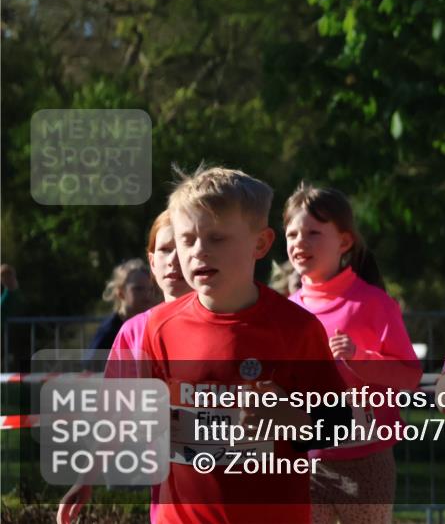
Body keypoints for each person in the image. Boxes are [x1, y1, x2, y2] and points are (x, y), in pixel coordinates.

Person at [140, 164, 350, 524]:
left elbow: (339, 423)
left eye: (217, 238)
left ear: (261, 243)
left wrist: (288, 417)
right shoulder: (160, 326)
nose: (198, 252)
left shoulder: (295, 328)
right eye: (186, 239)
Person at [283, 182, 421, 524]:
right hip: (305, 461)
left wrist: (360, 359)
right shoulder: (284, 312)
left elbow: (409, 377)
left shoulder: (373, 304)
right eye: (292, 234)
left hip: (366, 460)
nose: (300, 242)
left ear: (344, 241)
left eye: (313, 232)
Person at [57, 210, 193, 524]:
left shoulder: (233, 320)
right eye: (164, 249)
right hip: (169, 502)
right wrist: (86, 478)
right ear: (152, 262)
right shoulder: (133, 332)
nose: (172, 259)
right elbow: (115, 415)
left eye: (183, 246)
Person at [86, 258, 158, 359]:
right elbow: (90, 366)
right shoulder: (109, 331)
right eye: (138, 289)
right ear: (120, 292)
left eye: (150, 289)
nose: (147, 295)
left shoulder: (153, 326)